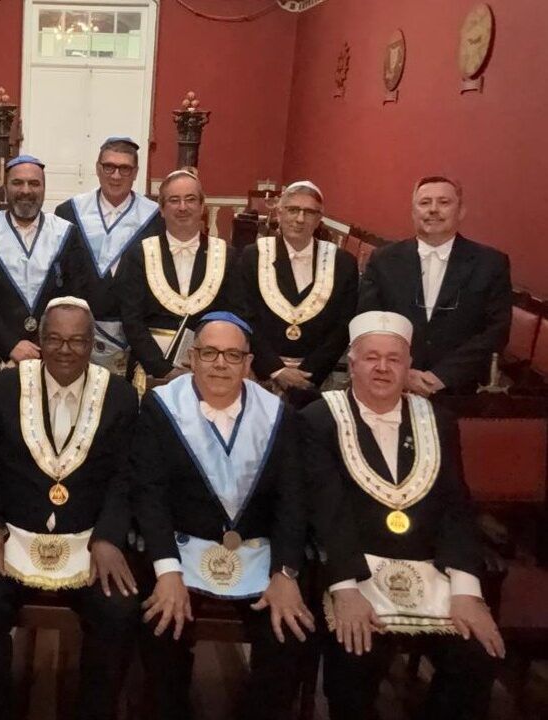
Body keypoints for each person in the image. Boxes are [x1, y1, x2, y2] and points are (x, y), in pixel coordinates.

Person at [300, 310, 504, 719]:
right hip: (357, 571)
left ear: (409, 366)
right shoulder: (318, 420)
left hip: (431, 570)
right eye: (371, 357)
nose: (382, 367)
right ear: (351, 364)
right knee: (356, 656)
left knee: (477, 655)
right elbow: (327, 512)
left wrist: (467, 591)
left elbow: (456, 507)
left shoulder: (439, 421)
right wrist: (345, 590)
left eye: (393, 359)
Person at [0, 297, 140, 720]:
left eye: (77, 341)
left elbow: (124, 478)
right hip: (12, 537)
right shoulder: (3, 387)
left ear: (92, 343)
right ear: (40, 340)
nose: (65, 350)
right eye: (54, 339)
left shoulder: (120, 395)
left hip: (87, 541)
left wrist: (109, 538)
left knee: (119, 609)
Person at [129, 311, 313, 720]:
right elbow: (150, 494)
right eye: (209, 353)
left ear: (249, 364)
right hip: (182, 551)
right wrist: (166, 571)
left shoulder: (278, 415)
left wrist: (285, 574)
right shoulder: (160, 408)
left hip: (256, 553)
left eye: (233, 355)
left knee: (290, 634)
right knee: (160, 626)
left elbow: (292, 499)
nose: (220, 364)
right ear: (192, 358)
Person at [358, 176, 512, 396]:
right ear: (413, 213)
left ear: (461, 211)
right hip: (388, 385)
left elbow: (496, 332)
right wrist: (401, 372)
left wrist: (442, 377)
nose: (433, 209)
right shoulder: (383, 260)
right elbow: (368, 321)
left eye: (443, 202)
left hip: (458, 391)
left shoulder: (490, 264)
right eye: (424, 202)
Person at [0, 155, 91, 372]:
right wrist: (9, 344)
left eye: (34, 183)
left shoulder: (66, 232)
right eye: (17, 183)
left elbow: (76, 295)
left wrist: (46, 345)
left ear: (44, 188)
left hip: (53, 354)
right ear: (6, 187)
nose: (26, 190)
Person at [115, 169, 244, 384]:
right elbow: (131, 319)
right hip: (149, 371)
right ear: (162, 209)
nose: (182, 207)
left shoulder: (226, 256)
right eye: (174, 200)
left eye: (190, 199)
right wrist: (162, 369)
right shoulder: (139, 254)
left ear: (202, 206)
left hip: (208, 370)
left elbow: (234, 317)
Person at [240, 181, 357, 407]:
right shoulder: (252, 256)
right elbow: (245, 315)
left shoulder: (342, 263)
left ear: (319, 218)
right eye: (293, 210)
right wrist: (275, 369)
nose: (300, 219)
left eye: (309, 212)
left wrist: (309, 374)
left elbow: (343, 325)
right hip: (262, 375)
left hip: (315, 381)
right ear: (279, 213)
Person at [55, 137, 163, 373]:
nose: (116, 176)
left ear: (135, 172)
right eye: (109, 167)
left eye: (124, 168)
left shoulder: (155, 218)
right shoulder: (68, 212)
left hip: (133, 334)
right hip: (76, 331)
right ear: (97, 168)